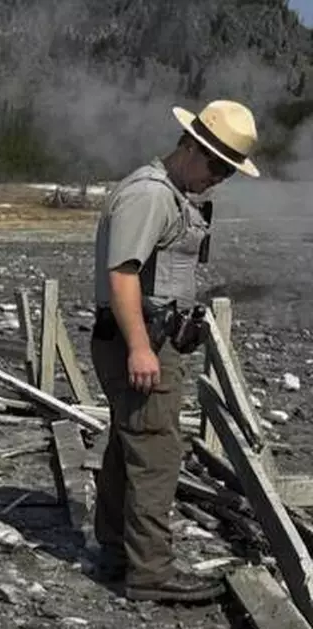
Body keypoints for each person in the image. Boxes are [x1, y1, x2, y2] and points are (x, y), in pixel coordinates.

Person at [89, 99, 259, 603]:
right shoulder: (151, 195)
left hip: (143, 336)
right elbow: (122, 274)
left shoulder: (168, 193)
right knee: (157, 453)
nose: (219, 177)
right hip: (139, 341)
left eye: (228, 170)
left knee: (130, 447)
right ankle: (151, 573)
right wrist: (141, 347)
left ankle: (119, 552)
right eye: (216, 165)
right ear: (190, 146)